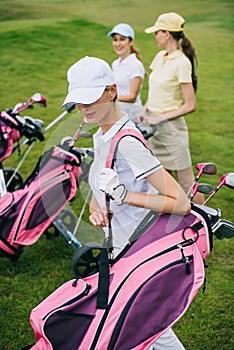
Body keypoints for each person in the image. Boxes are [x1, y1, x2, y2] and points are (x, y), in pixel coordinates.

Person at [62, 56, 191, 349]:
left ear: (111, 90)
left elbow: (180, 203)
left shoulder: (128, 143)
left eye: (90, 98)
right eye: (78, 101)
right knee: (135, 324)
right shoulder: (101, 134)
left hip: (138, 249)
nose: (83, 108)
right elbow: (101, 179)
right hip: (117, 248)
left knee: (149, 324)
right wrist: (98, 204)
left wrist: (123, 195)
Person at [135, 12, 204, 205]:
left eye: (157, 32)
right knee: (163, 179)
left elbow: (190, 105)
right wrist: (145, 110)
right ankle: (175, 217)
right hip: (153, 128)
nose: (155, 36)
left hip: (172, 131)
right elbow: (154, 90)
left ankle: (206, 219)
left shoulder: (182, 62)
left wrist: (159, 118)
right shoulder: (160, 56)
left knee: (186, 180)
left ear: (167, 34)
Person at [107, 23, 145, 121]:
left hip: (133, 116)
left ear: (131, 41)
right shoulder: (115, 64)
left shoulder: (136, 65)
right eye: (115, 40)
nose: (118, 44)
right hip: (118, 113)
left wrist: (110, 97)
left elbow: (132, 97)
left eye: (122, 39)